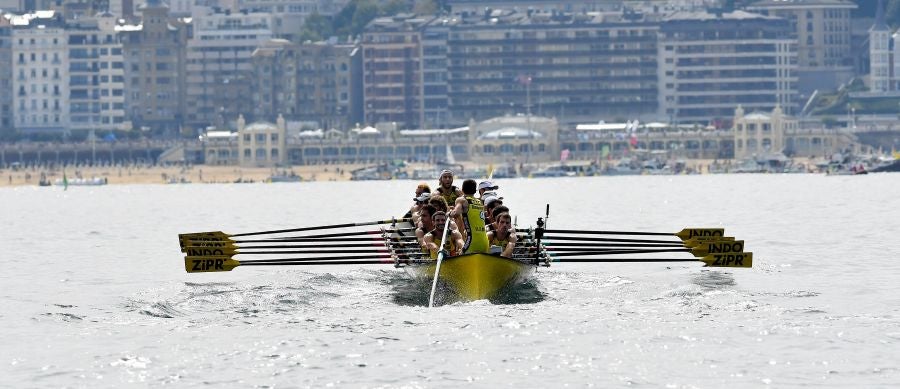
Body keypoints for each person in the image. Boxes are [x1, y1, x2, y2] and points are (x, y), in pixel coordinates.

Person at [449, 179, 489, 254]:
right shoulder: (480, 202)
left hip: (472, 242)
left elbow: (456, 213)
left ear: (462, 189)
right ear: (475, 191)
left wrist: (449, 213)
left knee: (460, 255)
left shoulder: (462, 200)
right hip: (485, 242)